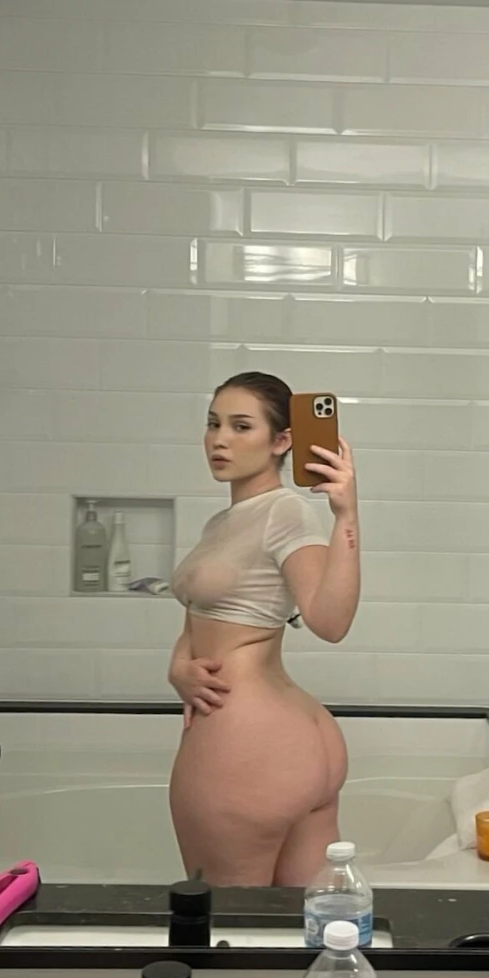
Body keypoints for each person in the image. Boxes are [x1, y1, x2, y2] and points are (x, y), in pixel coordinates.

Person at [167, 372, 360, 886]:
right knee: (301, 923)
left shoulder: (285, 512)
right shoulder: (223, 523)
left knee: (229, 922)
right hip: (289, 743)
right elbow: (205, 615)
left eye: (241, 426)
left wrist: (346, 514)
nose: (219, 440)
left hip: (250, 748)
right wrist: (179, 665)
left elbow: (330, 621)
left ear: (281, 441)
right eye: (213, 424)